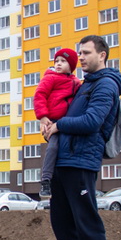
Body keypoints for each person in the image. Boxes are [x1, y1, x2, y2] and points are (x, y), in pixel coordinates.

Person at [43, 35, 121, 240]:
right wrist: (49, 123)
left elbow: (91, 121)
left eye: (87, 53)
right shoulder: (83, 85)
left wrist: (59, 125)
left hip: (81, 161)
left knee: (87, 222)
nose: (82, 57)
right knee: (62, 222)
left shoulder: (106, 85)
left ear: (102, 55)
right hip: (63, 161)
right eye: (80, 52)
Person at [34, 48, 81, 198]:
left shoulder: (75, 82)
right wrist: (42, 116)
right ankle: (46, 179)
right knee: (53, 147)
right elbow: (39, 95)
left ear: (72, 65)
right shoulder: (50, 78)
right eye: (56, 61)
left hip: (68, 122)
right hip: (52, 120)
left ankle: (70, 181)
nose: (58, 64)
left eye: (63, 61)